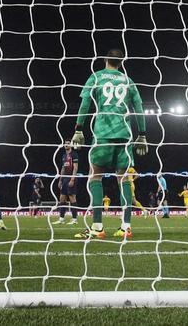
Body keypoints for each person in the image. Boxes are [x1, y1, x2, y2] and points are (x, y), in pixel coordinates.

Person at [70, 48, 147, 240]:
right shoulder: (128, 81)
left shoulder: (96, 77)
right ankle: (126, 227)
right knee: (124, 180)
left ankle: (97, 227)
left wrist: (79, 129)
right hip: (125, 135)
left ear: (105, 59)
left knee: (95, 177)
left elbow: (85, 104)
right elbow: (139, 107)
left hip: (103, 136)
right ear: (121, 62)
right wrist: (143, 134)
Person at [51, 144, 80, 225]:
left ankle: (74, 219)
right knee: (62, 198)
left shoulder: (74, 154)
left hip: (71, 178)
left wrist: (72, 179)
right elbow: (63, 168)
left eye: (68, 143)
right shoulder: (64, 156)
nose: (66, 145)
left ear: (70, 145)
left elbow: (75, 167)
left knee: (72, 198)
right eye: (65, 143)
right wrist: (60, 180)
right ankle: (61, 219)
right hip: (64, 179)